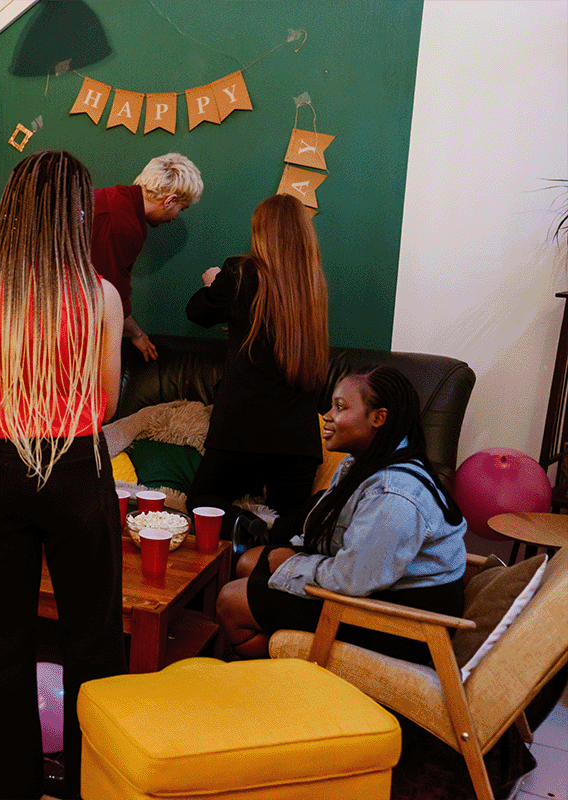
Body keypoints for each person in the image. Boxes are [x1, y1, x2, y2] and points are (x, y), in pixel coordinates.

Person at [0, 149, 127, 800]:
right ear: (73, 210)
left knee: (3, 639)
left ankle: (9, 789)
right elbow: (104, 401)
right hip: (76, 466)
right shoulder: (97, 293)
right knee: (94, 638)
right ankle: (91, 785)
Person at [215, 366, 468, 662]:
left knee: (230, 602)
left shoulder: (393, 496)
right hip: (378, 590)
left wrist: (290, 565)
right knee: (248, 561)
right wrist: (289, 557)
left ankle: (282, 681)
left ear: (378, 418)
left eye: (340, 407)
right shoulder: (362, 462)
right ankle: (287, 657)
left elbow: (353, 581)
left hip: (404, 623)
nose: (327, 415)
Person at [185, 192, 329, 546]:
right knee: (291, 518)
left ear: (261, 233)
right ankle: (272, 540)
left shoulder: (240, 271)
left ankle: (248, 527)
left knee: (201, 503)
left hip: (241, 430)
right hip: (299, 439)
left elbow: (198, 313)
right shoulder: (314, 287)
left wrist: (211, 283)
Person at [92, 152, 203, 361]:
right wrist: (137, 335)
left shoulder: (113, 196)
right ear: (169, 201)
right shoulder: (124, 227)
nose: (177, 216)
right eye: (181, 208)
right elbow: (111, 295)